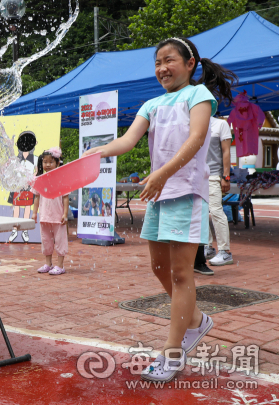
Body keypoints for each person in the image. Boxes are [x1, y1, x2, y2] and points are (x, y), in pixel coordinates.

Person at [86, 37, 237, 383]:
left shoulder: (199, 96)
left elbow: (197, 138)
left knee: (182, 274)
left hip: (185, 193)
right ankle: (197, 319)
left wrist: (162, 174)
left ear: (190, 64)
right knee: (158, 268)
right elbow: (127, 141)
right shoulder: (151, 104)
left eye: (169, 60)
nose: (162, 68)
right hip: (159, 194)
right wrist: (95, 153)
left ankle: (172, 352)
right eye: (157, 62)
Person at [31, 148, 69, 275]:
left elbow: (65, 198)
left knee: (60, 240)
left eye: (51, 162)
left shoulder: (62, 178)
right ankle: (48, 264)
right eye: (45, 162)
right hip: (44, 216)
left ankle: (60, 265)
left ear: (58, 163)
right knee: (46, 240)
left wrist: (65, 214)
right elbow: (36, 197)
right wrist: (35, 213)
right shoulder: (39, 179)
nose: (47, 164)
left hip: (58, 217)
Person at [205, 116, 233, 266]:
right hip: (197, 176)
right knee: (201, 212)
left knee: (215, 211)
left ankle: (225, 251)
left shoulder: (220, 124)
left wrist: (226, 177)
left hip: (214, 175)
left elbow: (226, 151)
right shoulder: (193, 124)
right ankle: (208, 247)